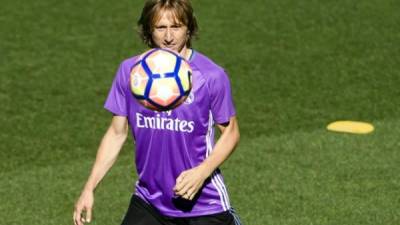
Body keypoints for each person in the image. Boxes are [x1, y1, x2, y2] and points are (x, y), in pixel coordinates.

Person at [73, 0, 242, 224]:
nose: (169, 37)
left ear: (189, 28)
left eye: (177, 27)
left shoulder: (210, 75)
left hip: (203, 205)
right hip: (150, 200)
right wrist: (89, 187)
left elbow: (231, 133)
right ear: (148, 30)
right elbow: (116, 133)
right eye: (160, 28)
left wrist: (201, 173)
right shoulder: (132, 72)